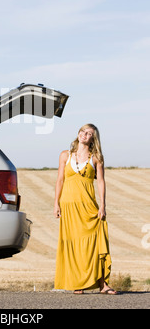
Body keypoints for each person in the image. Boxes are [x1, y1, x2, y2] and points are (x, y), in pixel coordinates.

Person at [53, 124, 118, 295]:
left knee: (98, 240)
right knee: (73, 244)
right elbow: (60, 180)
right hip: (69, 205)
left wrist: (102, 205)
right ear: (78, 133)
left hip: (88, 206)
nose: (85, 134)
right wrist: (56, 203)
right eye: (83, 131)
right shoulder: (64, 155)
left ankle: (103, 285)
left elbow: (101, 182)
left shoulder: (96, 158)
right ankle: (78, 284)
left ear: (93, 138)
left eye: (89, 133)